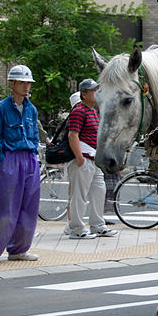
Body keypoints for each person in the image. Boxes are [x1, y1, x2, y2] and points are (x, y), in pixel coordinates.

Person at [0, 65, 41, 264]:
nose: (26, 86)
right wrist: (0, 159)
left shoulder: (31, 108)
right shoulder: (1, 108)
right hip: (8, 158)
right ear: (12, 84)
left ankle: (19, 249)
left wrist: (34, 153)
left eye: (28, 83)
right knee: (3, 204)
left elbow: (34, 135)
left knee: (29, 205)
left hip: (29, 159)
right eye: (22, 82)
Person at [66, 78, 116, 240]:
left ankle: (97, 225)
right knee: (79, 195)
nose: (96, 93)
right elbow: (72, 134)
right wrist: (79, 157)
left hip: (93, 159)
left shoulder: (93, 111)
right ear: (84, 93)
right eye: (93, 90)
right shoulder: (79, 110)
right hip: (84, 159)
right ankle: (76, 228)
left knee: (98, 192)